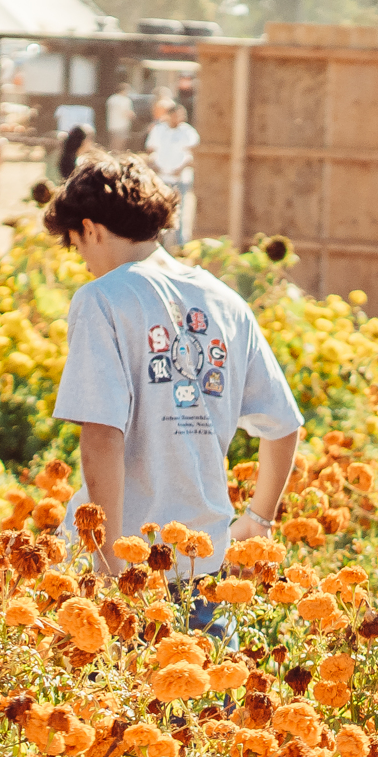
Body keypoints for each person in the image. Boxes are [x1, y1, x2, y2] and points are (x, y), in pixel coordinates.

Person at [43, 150, 303, 637]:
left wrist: (108, 564)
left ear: (91, 229)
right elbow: (283, 425)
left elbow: (101, 433)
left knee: (105, 709)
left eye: (77, 247)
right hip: (202, 563)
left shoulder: (104, 298)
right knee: (199, 705)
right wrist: (259, 518)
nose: (84, 263)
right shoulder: (226, 301)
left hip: (126, 563)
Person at [144, 100, 200, 245]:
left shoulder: (188, 132)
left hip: (180, 177)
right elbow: (151, 150)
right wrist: (155, 166)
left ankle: (180, 244)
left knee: (179, 211)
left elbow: (195, 154)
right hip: (162, 177)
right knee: (160, 209)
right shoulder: (159, 130)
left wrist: (181, 168)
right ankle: (158, 242)